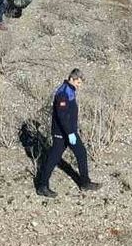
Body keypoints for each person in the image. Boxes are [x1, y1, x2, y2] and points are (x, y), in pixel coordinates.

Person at [35, 69, 101, 198]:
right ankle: (42, 186)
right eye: (78, 82)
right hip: (62, 132)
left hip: (68, 131)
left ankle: (84, 182)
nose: (79, 85)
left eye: (80, 83)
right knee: (56, 158)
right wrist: (70, 133)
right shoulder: (63, 93)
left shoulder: (70, 90)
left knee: (75, 154)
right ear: (71, 79)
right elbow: (62, 116)